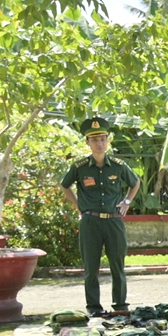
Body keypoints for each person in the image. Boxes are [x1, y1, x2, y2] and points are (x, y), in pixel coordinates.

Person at [61, 116, 139, 316]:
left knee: (117, 265)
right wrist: (79, 204)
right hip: (90, 221)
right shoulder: (79, 167)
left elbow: (135, 182)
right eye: (95, 140)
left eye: (103, 139)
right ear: (88, 142)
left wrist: (127, 202)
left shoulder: (118, 165)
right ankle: (94, 308)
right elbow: (64, 185)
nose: (99, 143)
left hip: (114, 220)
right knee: (91, 267)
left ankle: (120, 306)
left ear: (108, 140)